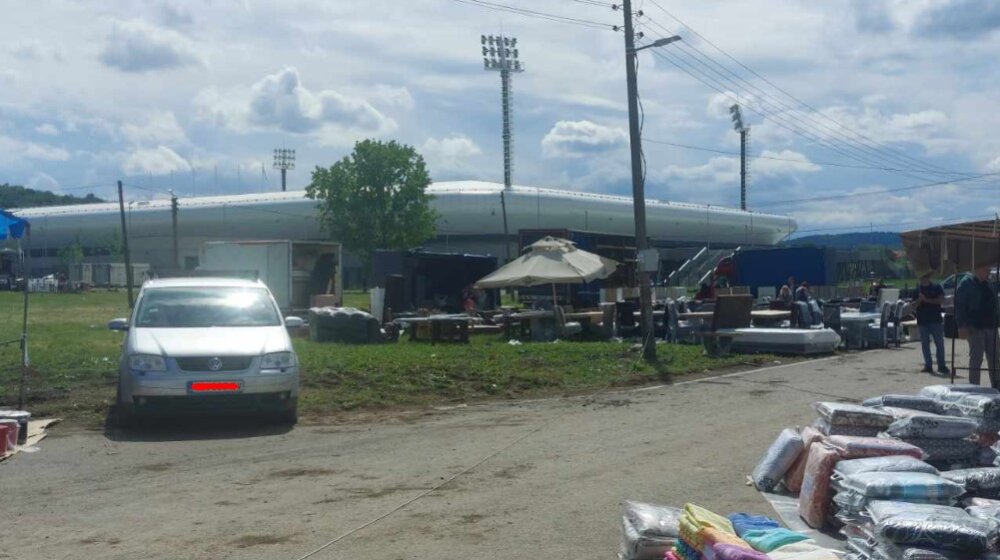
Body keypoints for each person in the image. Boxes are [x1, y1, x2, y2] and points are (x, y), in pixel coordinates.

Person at [955, 265, 1000, 387]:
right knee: (976, 358)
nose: (989, 271)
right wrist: (961, 325)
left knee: (995, 357)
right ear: (978, 268)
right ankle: (974, 386)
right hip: (975, 326)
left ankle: (997, 384)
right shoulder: (966, 283)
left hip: (991, 325)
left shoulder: (989, 283)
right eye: (987, 269)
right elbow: (959, 305)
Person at [916, 272, 948, 374]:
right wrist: (919, 301)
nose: (923, 278)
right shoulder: (917, 290)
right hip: (922, 321)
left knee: (939, 344)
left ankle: (941, 365)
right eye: (922, 276)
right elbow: (912, 305)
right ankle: (928, 365)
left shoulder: (937, 287)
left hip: (935, 320)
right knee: (925, 345)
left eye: (925, 276)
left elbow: (941, 300)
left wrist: (926, 300)